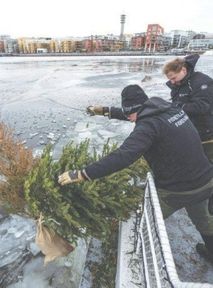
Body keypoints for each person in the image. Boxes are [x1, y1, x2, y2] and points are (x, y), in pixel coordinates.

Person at [58, 84, 213, 264]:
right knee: (204, 222)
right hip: (205, 179)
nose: (130, 120)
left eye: (130, 114)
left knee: (144, 220)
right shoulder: (168, 109)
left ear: (136, 110)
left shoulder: (147, 127)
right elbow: (137, 113)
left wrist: (83, 174)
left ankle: (136, 258)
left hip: (176, 190)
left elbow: (124, 155)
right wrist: (105, 111)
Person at [163, 54, 213, 163]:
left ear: (183, 71)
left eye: (173, 78)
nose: (172, 82)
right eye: (169, 79)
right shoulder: (177, 86)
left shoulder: (201, 81)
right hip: (188, 131)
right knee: (192, 161)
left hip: (206, 133)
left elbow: (203, 106)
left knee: (207, 161)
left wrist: (179, 106)